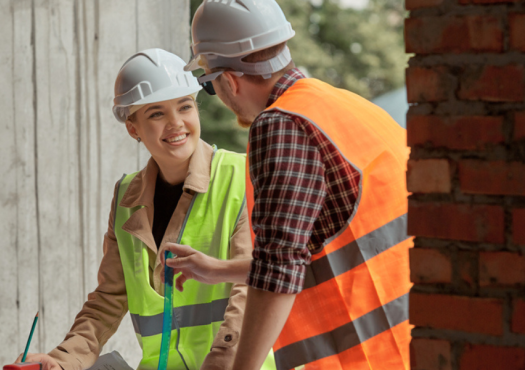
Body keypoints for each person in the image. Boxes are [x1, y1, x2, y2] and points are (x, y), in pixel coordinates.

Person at [161, 1, 413, 369]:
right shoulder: (344, 105)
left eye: (211, 88)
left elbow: (281, 267)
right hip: (419, 340)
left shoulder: (281, 125)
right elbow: (329, 246)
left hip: (368, 357)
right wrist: (220, 270)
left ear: (230, 80)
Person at [13, 48, 275, 370]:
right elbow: (107, 301)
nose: (176, 123)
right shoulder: (126, 198)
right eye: (156, 113)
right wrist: (60, 361)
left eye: (185, 106)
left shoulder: (241, 176)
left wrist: (222, 362)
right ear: (133, 128)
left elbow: (250, 289)